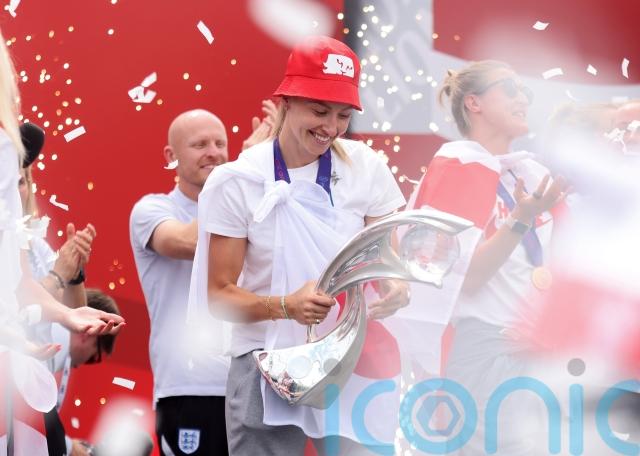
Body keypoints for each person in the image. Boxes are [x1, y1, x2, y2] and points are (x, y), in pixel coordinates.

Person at [188, 35, 407, 455]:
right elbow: (219, 297)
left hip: (353, 361)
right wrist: (286, 306)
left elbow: (387, 258)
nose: (331, 128)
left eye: (343, 115)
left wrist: (395, 286)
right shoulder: (240, 181)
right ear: (286, 101)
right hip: (265, 363)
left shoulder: (366, 168)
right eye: (319, 111)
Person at [411, 60, 569, 454]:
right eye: (510, 89)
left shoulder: (531, 172)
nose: (523, 99)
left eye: (525, 90)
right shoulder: (457, 166)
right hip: (486, 349)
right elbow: (466, 277)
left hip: (540, 351)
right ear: (474, 103)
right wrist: (520, 219)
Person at [0, 26, 123, 456]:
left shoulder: (7, 161)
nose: (19, 183)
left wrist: (70, 314)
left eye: (20, 177)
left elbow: (18, 285)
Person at [129, 103, 275, 456]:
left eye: (220, 144)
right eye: (199, 145)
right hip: (190, 388)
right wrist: (242, 171)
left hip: (252, 382)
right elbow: (189, 242)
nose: (213, 153)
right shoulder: (152, 210)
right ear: (171, 156)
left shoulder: (252, 209)